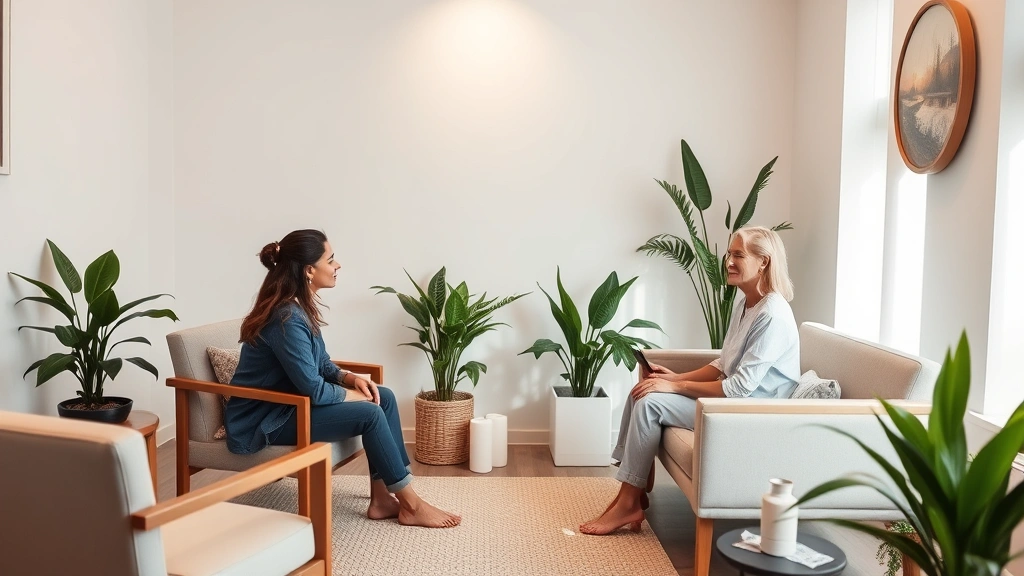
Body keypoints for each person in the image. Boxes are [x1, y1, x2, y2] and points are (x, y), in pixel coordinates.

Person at [224, 229, 461, 528]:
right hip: (264, 418)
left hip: (288, 406)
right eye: (331, 259)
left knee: (382, 396)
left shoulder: (297, 308)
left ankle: (382, 499)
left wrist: (349, 378)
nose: (338, 266)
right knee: (371, 413)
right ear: (310, 270)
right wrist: (352, 396)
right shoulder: (285, 317)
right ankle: (411, 505)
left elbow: (319, 363)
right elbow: (312, 388)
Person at [580, 226, 799, 535]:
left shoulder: (772, 315)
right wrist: (673, 377)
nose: (728, 262)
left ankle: (630, 500)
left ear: (764, 262)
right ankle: (633, 490)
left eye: (739, 255)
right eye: (729, 254)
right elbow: (723, 364)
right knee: (642, 391)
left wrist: (675, 386)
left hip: (751, 415)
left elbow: (738, 389)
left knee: (651, 404)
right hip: (731, 403)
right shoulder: (746, 304)